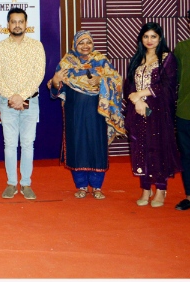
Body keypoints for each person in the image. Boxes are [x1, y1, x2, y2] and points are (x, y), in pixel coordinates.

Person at [48, 30, 125, 199]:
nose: (85, 46)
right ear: (75, 45)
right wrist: (55, 81)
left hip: (97, 112)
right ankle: (81, 185)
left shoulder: (101, 61)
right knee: (78, 145)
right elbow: (55, 88)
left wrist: (101, 80)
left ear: (93, 44)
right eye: (81, 43)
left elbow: (117, 81)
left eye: (88, 42)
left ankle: (97, 186)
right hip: (74, 111)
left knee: (96, 145)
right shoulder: (67, 62)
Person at [0, 7, 46, 200]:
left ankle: (26, 183)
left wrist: (21, 96)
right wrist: (12, 97)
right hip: (7, 103)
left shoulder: (36, 46)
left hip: (30, 101)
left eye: (20, 22)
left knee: (28, 144)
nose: (17, 25)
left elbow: (39, 74)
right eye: (13, 22)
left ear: (26, 24)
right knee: (10, 144)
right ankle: (11, 183)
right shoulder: (0, 47)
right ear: (8, 24)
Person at [124, 22, 181, 207]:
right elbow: (129, 85)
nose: (149, 40)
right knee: (140, 149)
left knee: (158, 148)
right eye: (146, 36)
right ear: (141, 39)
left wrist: (142, 94)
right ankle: (145, 188)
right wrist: (137, 101)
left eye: (153, 37)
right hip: (138, 112)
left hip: (158, 113)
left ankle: (161, 189)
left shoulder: (167, 58)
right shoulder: (137, 59)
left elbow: (168, 85)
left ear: (160, 38)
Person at [173, 11, 190, 211]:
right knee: (187, 155)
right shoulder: (182, 48)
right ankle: (189, 195)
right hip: (185, 112)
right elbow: (171, 78)